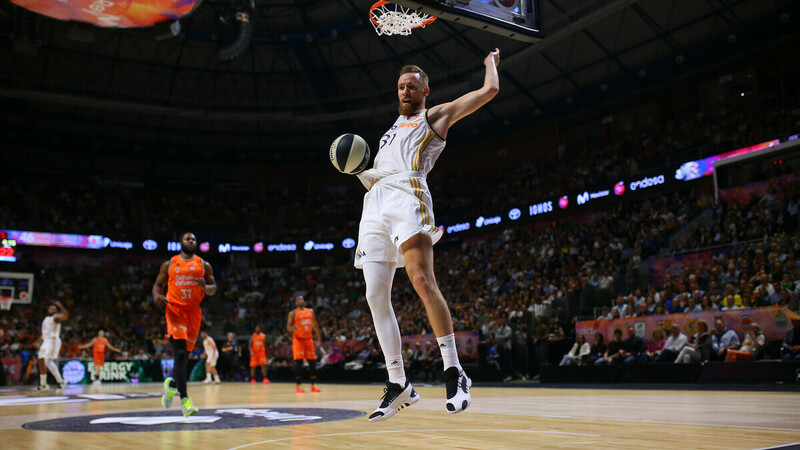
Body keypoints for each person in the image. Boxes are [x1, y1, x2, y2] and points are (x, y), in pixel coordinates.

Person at [352, 49, 500, 421]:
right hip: (375, 203)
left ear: (425, 91)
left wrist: (489, 65)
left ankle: (454, 370)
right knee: (374, 294)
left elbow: (489, 91)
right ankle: (399, 383)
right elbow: (377, 174)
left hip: (407, 194)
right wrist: (356, 169)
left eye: (412, 87)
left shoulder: (434, 116)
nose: (405, 92)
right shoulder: (387, 133)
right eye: (401, 87)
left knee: (421, 279)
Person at [152, 232, 217, 417]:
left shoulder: (204, 265)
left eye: (194, 239)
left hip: (194, 312)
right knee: (179, 354)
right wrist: (157, 297)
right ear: (180, 242)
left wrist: (206, 287)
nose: (191, 241)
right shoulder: (170, 263)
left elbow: (214, 288)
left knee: (183, 359)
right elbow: (157, 286)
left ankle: (172, 385)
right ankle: (185, 401)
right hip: (174, 310)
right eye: (188, 239)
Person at [287, 295, 322, 393]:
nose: (300, 300)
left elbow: (315, 324)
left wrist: (319, 337)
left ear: (304, 301)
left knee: (312, 362)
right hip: (298, 340)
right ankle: (299, 385)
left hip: (309, 339)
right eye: (298, 299)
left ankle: (313, 385)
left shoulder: (310, 311)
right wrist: (291, 328)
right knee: (299, 363)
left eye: (302, 299)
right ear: (295, 302)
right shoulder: (293, 313)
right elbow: (288, 326)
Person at [34, 301, 69, 391]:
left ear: (56, 311)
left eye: (54, 308)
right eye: (50, 308)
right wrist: (37, 341)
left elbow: (65, 316)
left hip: (53, 340)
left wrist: (61, 306)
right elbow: (44, 333)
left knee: (48, 361)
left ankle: (60, 381)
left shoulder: (56, 317)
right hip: (45, 341)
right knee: (41, 360)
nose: (52, 309)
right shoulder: (46, 319)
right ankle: (44, 384)